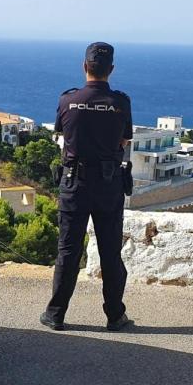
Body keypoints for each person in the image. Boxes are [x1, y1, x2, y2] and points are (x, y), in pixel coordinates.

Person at [40, 42, 134, 332]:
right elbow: (124, 141)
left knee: (68, 250)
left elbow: (61, 133)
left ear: (85, 67)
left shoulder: (68, 100)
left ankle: (55, 314)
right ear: (112, 70)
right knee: (110, 252)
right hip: (109, 185)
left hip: (74, 183)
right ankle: (115, 316)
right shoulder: (120, 103)